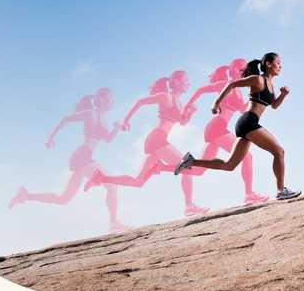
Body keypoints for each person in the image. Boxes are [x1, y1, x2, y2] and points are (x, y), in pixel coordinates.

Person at [175, 53, 301, 200]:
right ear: (268, 64)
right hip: (249, 122)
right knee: (279, 152)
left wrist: (283, 95)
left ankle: (190, 161)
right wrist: (216, 103)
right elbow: (232, 84)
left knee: (229, 165)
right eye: (278, 63)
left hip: (247, 123)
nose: (280, 66)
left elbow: (273, 105)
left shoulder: (270, 85)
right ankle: (281, 190)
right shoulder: (258, 79)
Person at [84, 70, 210, 216]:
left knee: (138, 181)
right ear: (175, 81)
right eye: (185, 80)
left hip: (156, 140)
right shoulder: (165, 97)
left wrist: (190, 112)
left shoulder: (178, 102)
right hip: (157, 138)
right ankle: (189, 206)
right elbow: (140, 102)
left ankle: (101, 178)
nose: (188, 83)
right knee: (187, 166)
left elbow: (182, 122)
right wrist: (125, 120)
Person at [8, 88, 132, 233]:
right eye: (109, 98)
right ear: (100, 99)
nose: (111, 101)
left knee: (63, 199)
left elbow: (109, 139)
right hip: (82, 157)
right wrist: (50, 138)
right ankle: (113, 223)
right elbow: (65, 119)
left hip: (82, 157)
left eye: (112, 99)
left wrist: (118, 127)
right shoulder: (90, 113)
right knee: (111, 185)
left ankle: (26, 195)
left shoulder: (102, 119)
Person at [180, 59, 269, 205]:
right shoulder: (225, 85)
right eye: (239, 69)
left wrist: (258, 98)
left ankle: (161, 166)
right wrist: (186, 108)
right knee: (247, 156)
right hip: (217, 127)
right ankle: (249, 194)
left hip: (217, 128)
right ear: (232, 70)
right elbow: (200, 90)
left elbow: (242, 109)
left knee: (198, 171)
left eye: (244, 70)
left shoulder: (240, 91)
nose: (242, 72)